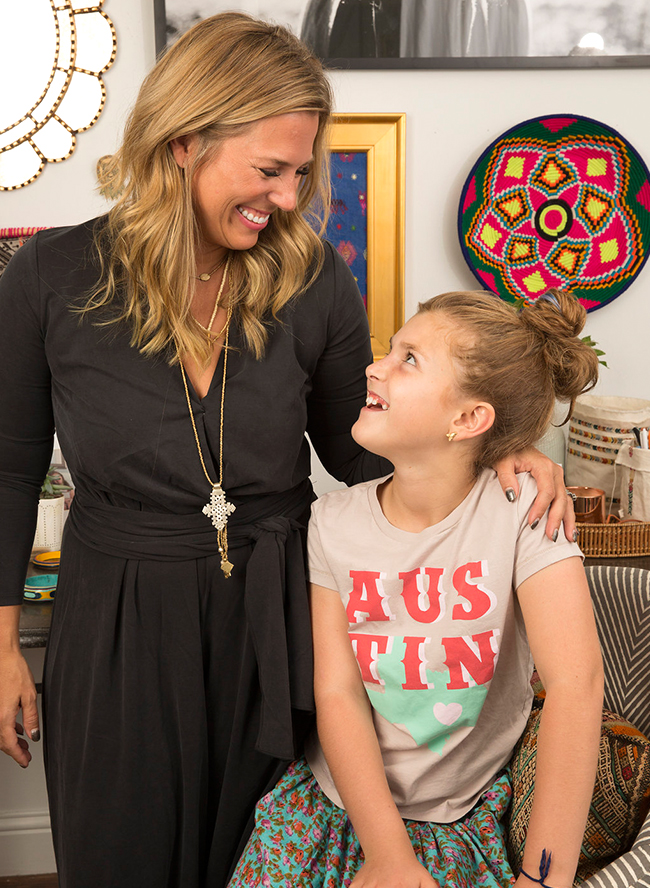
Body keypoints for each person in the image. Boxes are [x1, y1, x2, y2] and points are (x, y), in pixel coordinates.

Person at [0, 13, 573, 888]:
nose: (288, 195)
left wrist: (499, 452)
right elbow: (8, 468)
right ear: (184, 141)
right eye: (270, 169)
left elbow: (363, 452)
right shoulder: (50, 276)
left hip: (277, 613)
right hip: (116, 613)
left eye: (302, 172)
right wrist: (2, 645)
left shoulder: (312, 277)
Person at [229, 288, 604, 888]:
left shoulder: (524, 510)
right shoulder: (332, 521)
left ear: (467, 419)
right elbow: (338, 694)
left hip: (461, 816)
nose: (374, 367)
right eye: (388, 349)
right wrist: (388, 856)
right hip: (339, 805)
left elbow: (575, 685)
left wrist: (544, 880)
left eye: (408, 359)